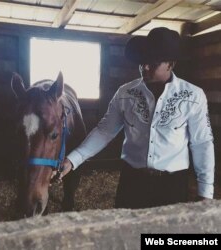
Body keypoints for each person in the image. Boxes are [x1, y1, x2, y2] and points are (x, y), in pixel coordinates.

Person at [57, 27, 215, 209]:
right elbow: (104, 131)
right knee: (128, 234)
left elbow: (202, 142)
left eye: (153, 63)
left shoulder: (193, 96)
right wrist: (73, 159)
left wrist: (205, 191)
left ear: (170, 64)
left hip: (172, 186)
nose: (144, 67)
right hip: (132, 181)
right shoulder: (125, 94)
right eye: (142, 62)